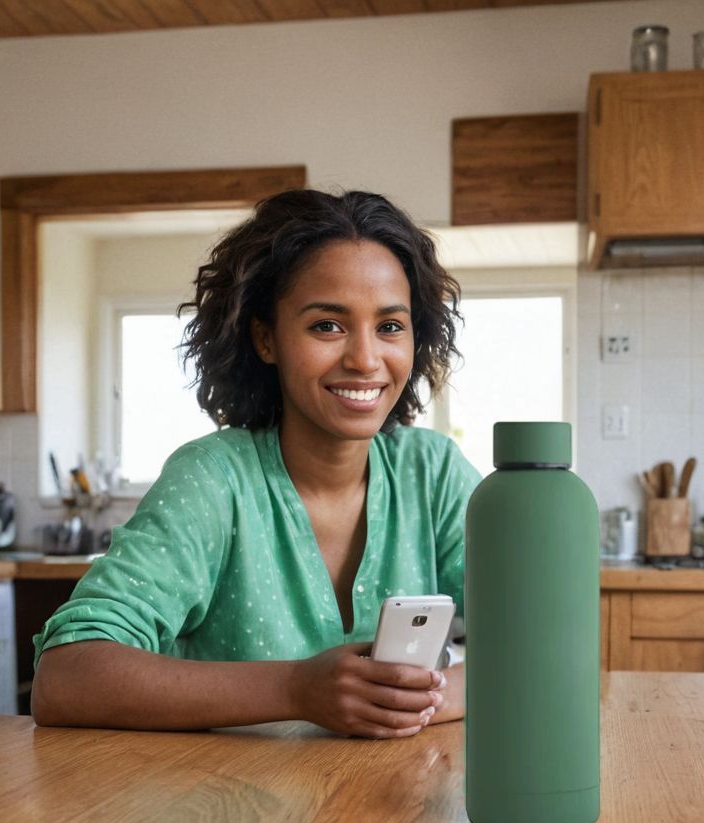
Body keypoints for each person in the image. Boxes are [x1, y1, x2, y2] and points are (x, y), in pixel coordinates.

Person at [31, 188, 481, 740]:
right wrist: (296, 690)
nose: (365, 359)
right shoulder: (213, 479)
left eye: (390, 327)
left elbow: (541, 643)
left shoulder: (433, 473)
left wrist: (411, 701)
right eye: (327, 326)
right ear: (265, 338)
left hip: (387, 815)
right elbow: (66, 677)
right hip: (222, 816)